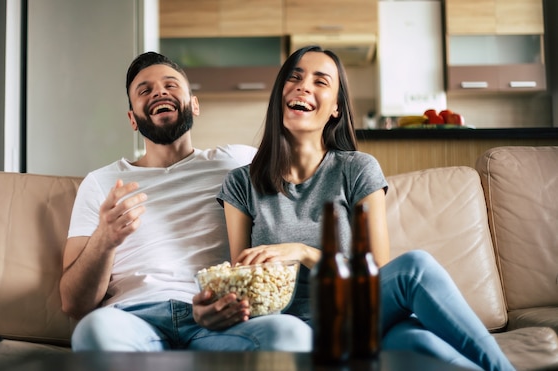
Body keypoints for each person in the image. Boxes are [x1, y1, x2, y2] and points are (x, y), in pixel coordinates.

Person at [216, 46, 515, 371]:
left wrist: (303, 252)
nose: (303, 86)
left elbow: (376, 270)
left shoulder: (357, 169)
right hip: (293, 328)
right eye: (295, 77)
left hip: (362, 313)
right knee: (416, 314)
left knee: (420, 341)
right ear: (280, 94)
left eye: (320, 81)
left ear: (336, 109)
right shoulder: (241, 183)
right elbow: (242, 279)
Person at [59, 51, 312, 352]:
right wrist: (105, 238)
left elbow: (305, 190)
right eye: (145, 90)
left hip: (222, 319)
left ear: (194, 104)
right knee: (92, 331)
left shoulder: (239, 161)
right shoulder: (102, 182)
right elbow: (74, 303)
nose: (159, 92)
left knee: (292, 335)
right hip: (133, 319)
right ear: (132, 120)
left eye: (171, 84)